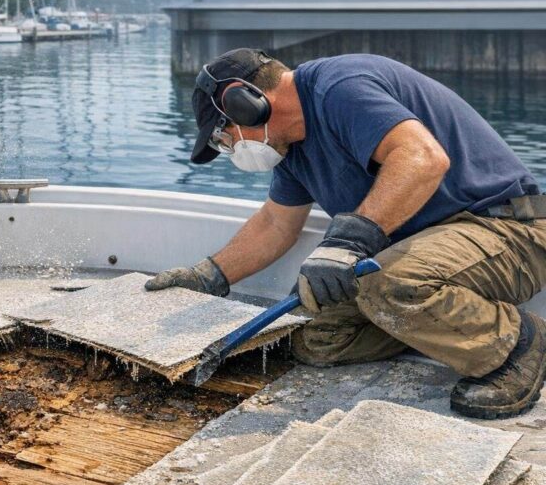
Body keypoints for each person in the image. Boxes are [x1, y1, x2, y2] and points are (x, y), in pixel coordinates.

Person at [147, 49, 546, 420]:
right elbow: (276, 224)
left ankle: (517, 344)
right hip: (426, 250)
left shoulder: (340, 86)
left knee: (389, 282)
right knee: (315, 338)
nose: (230, 149)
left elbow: (423, 158)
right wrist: (209, 275)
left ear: (244, 104)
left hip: (507, 228)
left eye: (223, 136)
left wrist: (349, 242)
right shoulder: (291, 152)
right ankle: (433, 324)